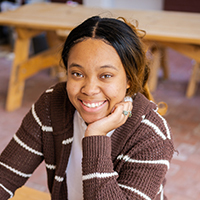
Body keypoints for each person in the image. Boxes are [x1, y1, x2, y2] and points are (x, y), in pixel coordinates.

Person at [0, 16, 174, 200]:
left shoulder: (152, 136)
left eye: (106, 75)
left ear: (129, 78)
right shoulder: (52, 104)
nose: (89, 89)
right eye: (77, 74)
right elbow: (5, 176)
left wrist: (96, 137)